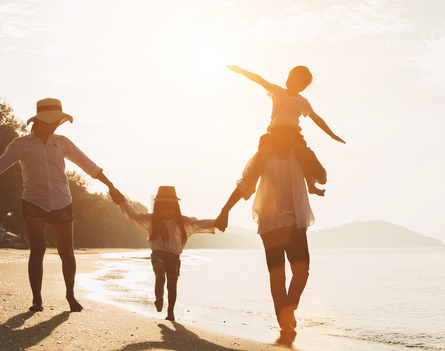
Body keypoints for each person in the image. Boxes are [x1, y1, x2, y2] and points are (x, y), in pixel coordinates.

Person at [0, 97, 124, 312]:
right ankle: (37, 300)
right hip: (33, 201)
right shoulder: (20, 145)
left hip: (62, 201)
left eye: (58, 121)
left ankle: (70, 296)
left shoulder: (62, 142)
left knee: (67, 253)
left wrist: (111, 186)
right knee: (38, 248)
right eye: (53, 121)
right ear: (40, 121)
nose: (56, 124)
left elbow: (88, 164)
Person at [215, 114, 320, 345]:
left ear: (294, 135)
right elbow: (244, 185)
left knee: (302, 272)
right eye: (280, 132)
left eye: (288, 132)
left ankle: (288, 310)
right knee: (277, 275)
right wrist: (225, 211)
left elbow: (321, 176)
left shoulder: (299, 155)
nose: (284, 136)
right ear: (273, 134)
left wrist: (308, 153)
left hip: (295, 223)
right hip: (270, 224)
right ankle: (283, 320)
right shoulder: (262, 158)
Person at [227, 64, 345, 196]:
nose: (292, 80)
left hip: (293, 135)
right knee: (262, 153)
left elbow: (316, 118)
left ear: (302, 87)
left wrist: (331, 134)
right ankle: (252, 185)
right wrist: (240, 70)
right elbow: (259, 80)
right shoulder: (277, 91)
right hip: (274, 133)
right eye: (291, 76)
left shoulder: (302, 102)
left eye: (297, 80)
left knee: (302, 153)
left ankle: (310, 185)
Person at [115, 186, 216, 321]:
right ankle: (159, 298)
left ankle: (170, 312)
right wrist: (122, 201)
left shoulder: (182, 222)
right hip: (158, 255)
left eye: (170, 208)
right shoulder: (152, 220)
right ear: (157, 207)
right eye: (163, 207)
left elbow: (199, 223)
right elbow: (134, 215)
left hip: (174, 258)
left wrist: (219, 220)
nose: (166, 211)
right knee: (160, 274)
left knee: (172, 285)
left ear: (175, 207)